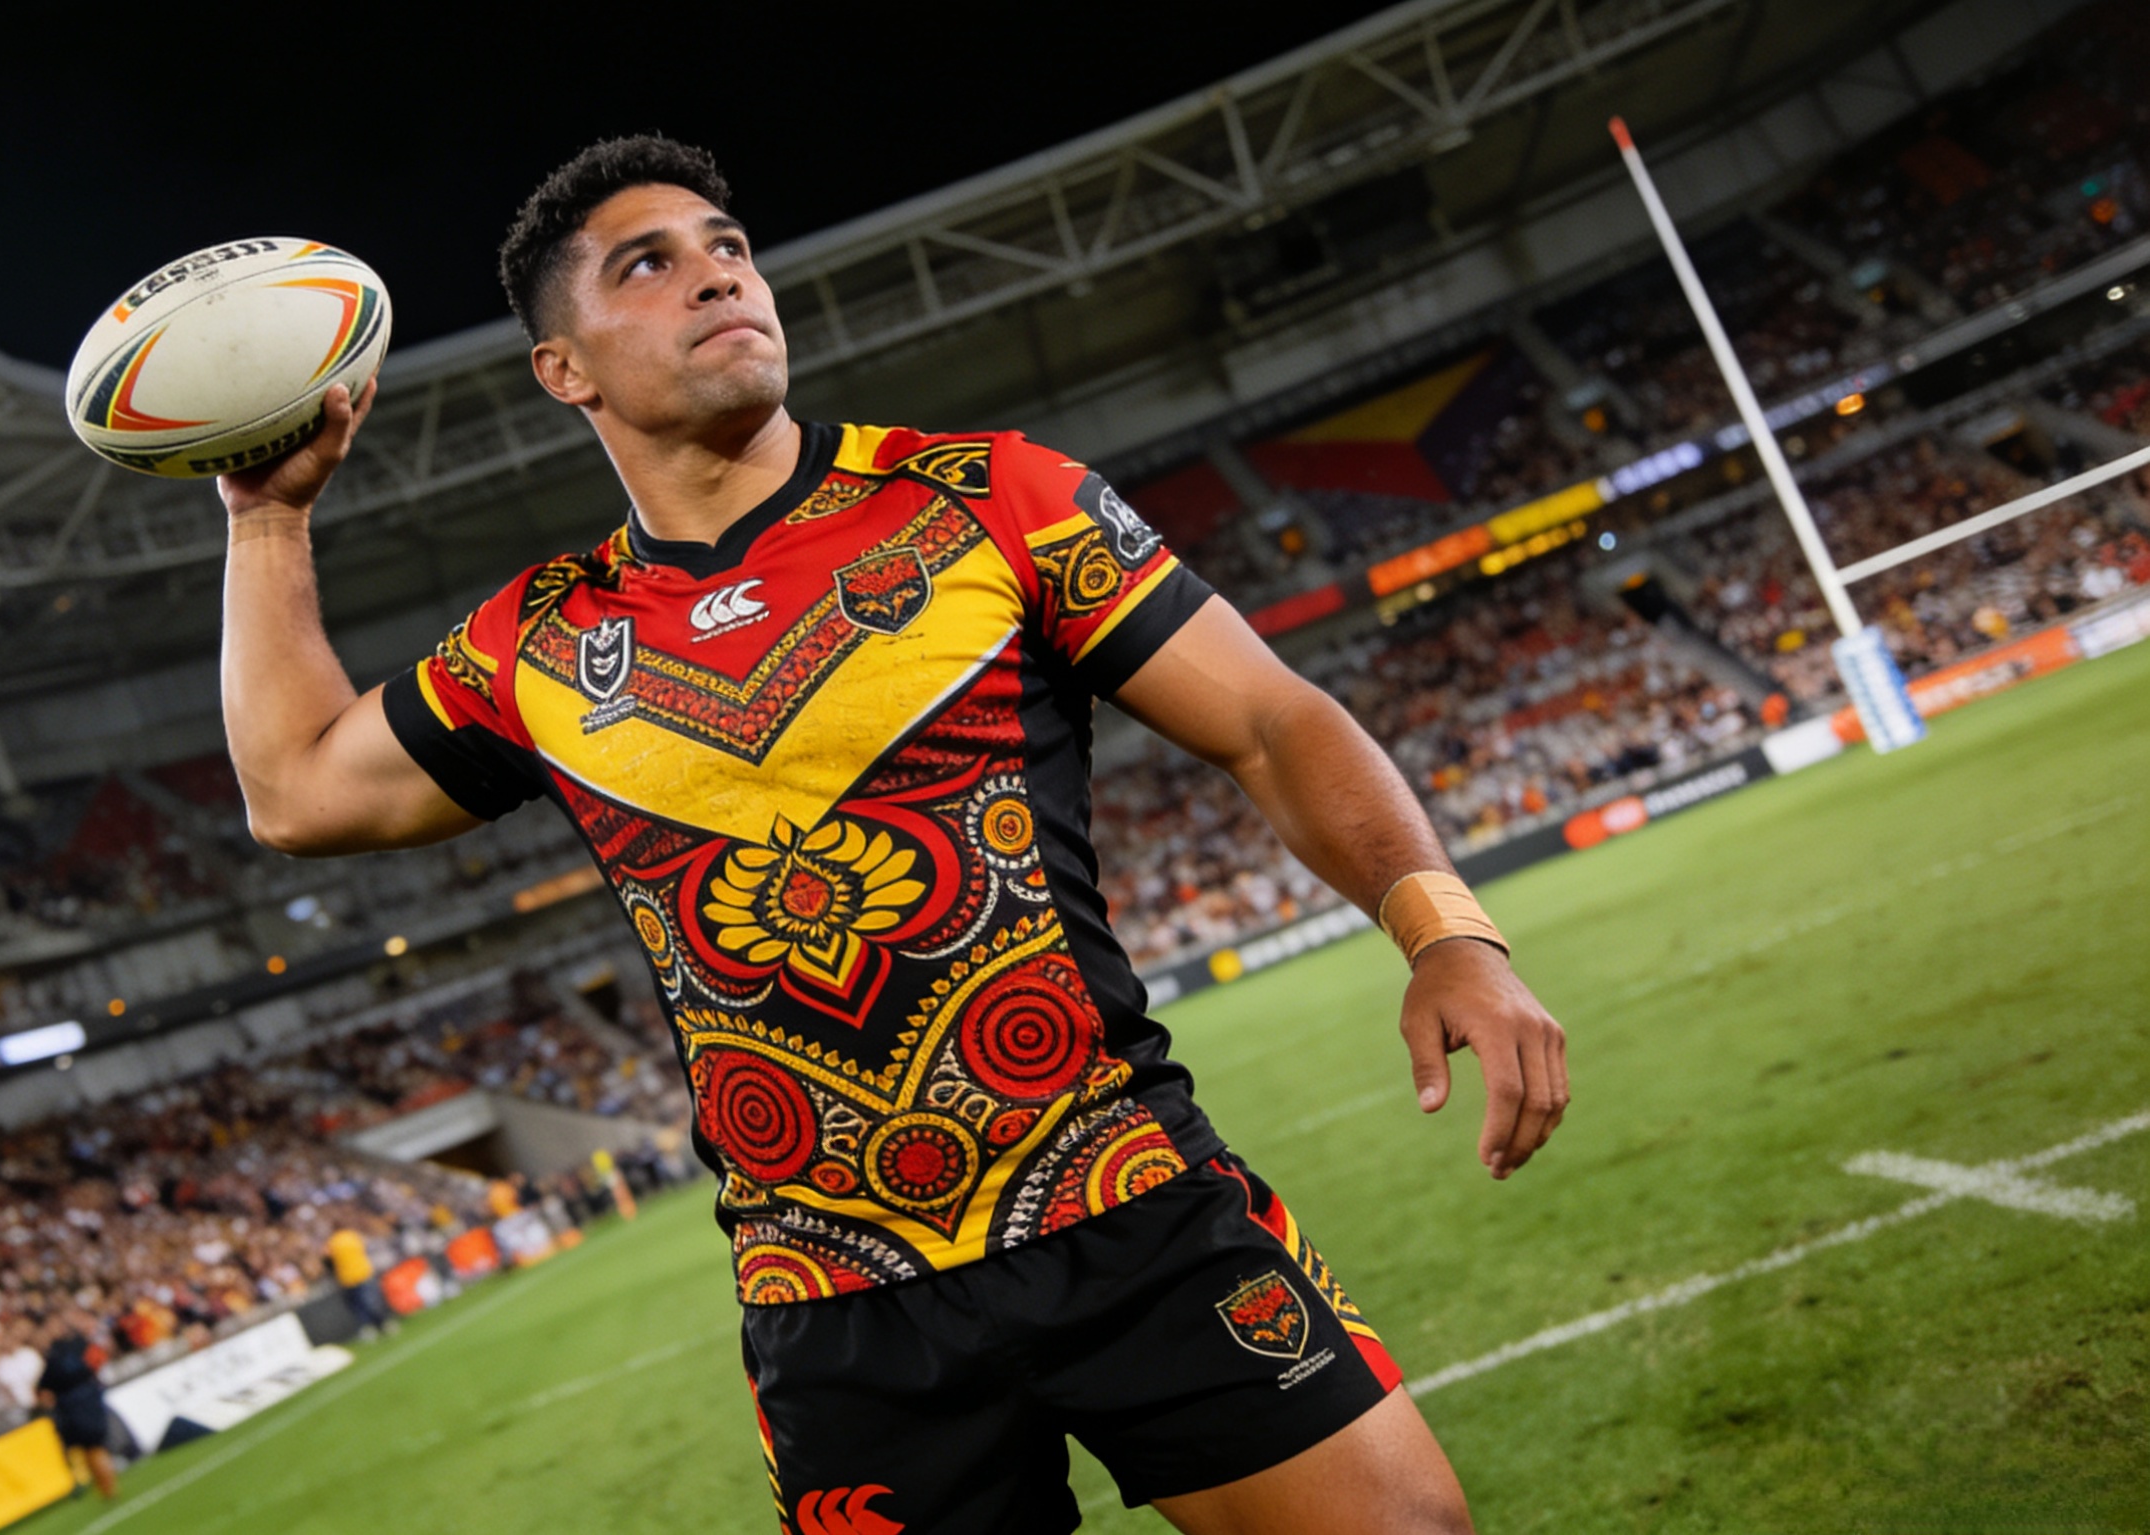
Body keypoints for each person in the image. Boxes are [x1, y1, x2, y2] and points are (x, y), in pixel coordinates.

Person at [216, 135, 1568, 1534]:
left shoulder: (987, 496)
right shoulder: (541, 640)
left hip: (1121, 1196)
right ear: (564, 368)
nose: (717, 276)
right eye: (649, 263)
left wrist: (1444, 927)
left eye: (726, 244)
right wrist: (268, 518)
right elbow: (298, 791)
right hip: (837, 1307)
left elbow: (1271, 719)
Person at [34, 1318, 116, 1500]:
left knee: (92, 1446)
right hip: (88, 1395)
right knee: (94, 1445)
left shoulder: (55, 1356)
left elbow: (42, 1391)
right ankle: (107, 1485)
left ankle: (107, 1486)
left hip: (74, 1403)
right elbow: (100, 1358)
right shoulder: (75, 1346)